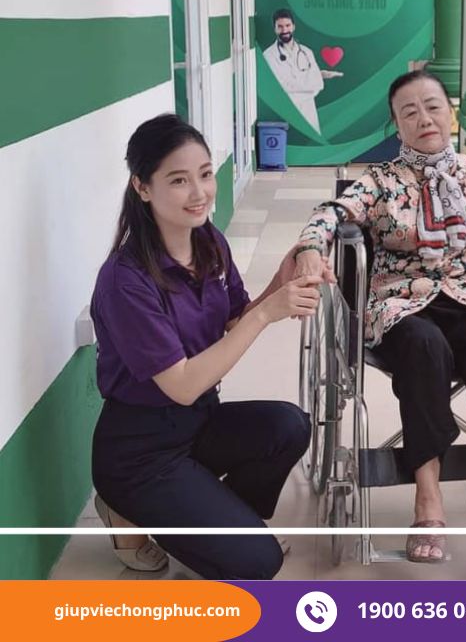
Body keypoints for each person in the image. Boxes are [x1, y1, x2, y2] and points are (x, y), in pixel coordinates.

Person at [293, 70, 466, 565]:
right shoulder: (380, 181)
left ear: (450, 113)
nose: (424, 119)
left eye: (433, 106)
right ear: (397, 125)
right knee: (424, 345)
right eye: (410, 112)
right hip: (402, 306)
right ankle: (428, 495)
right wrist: (312, 247)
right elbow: (330, 212)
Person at [90, 113, 324, 579]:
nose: (199, 192)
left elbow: (234, 319)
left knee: (289, 426)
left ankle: (215, 518)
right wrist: (265, 313)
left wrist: (278, 285)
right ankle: (126, 506)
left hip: (198, 422)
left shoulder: (208, 242)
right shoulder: (125, 280)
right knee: (259, 564)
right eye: (178, 180)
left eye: (204, 173)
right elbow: (181, 384)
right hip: (140, 452)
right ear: (142, 187)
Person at [263, 8, 342, 134]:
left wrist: (316, 78)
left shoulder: (306, 52)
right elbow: (281, 86)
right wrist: (309, 83)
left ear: (293, 27)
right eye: (280, 27)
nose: (284, 30)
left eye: (288, 25)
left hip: (308, 112)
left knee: (311, 141)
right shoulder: (268, 55)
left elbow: (317, 84)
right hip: (285, 112)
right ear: (275, 29)